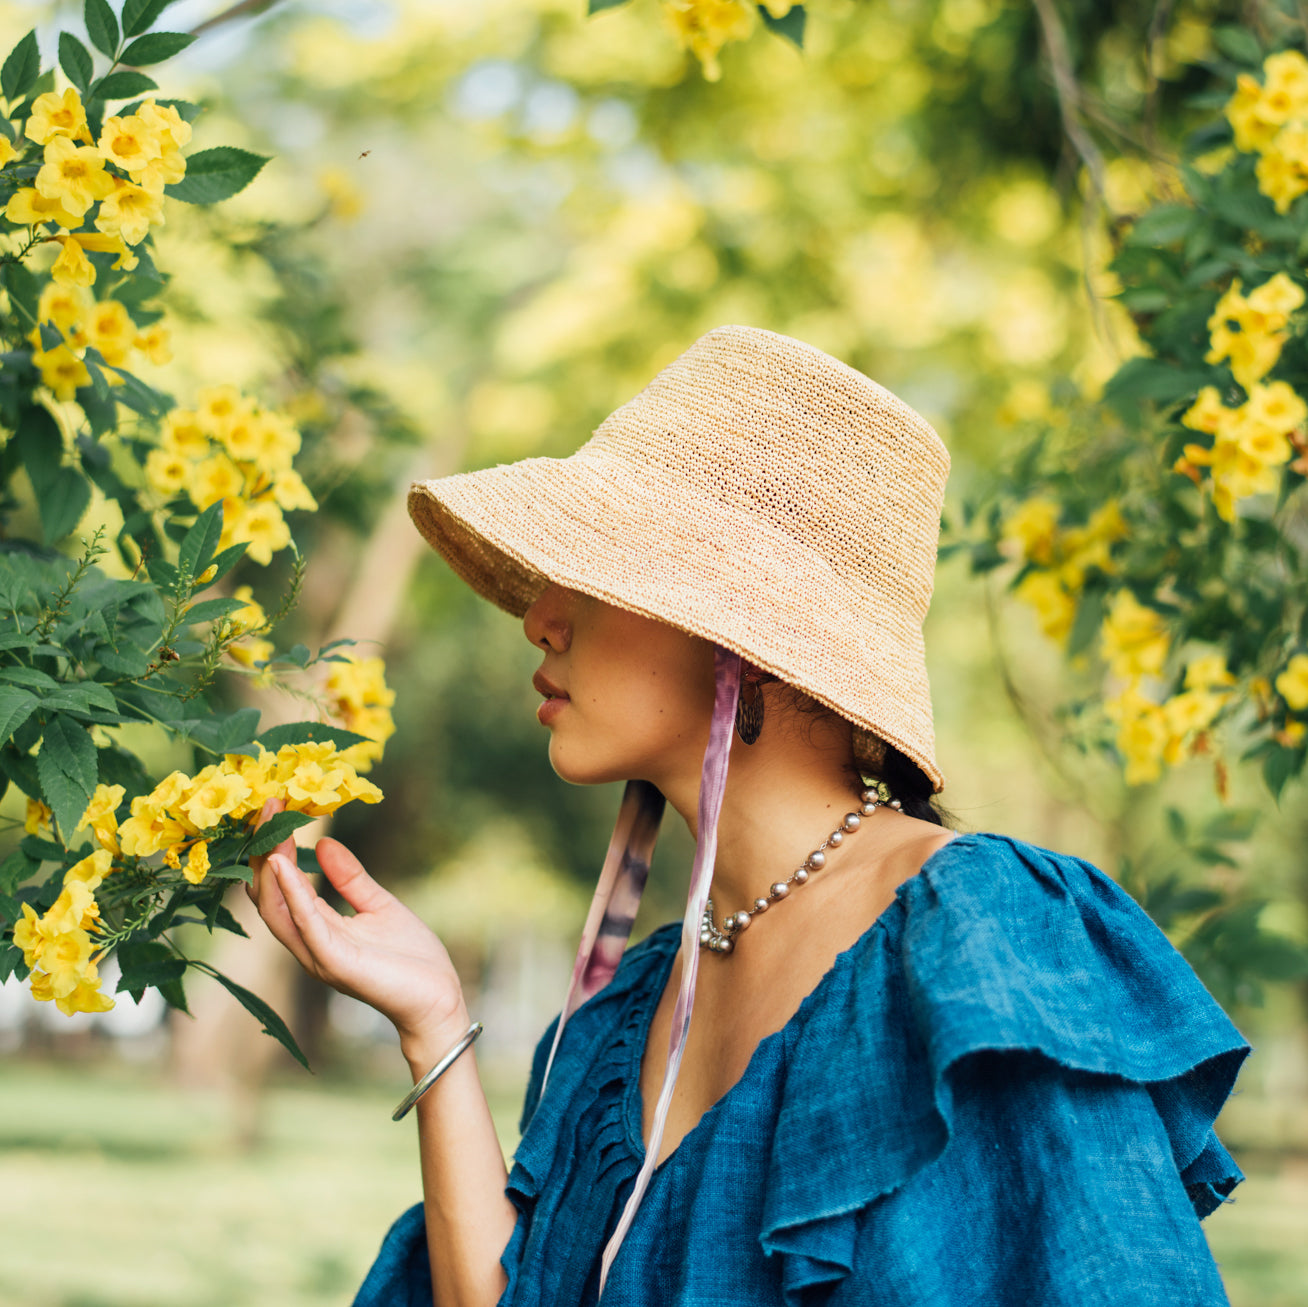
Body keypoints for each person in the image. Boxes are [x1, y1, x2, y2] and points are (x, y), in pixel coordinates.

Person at [247, 325, 1250, 1307]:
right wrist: (433, 1020)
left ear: (740, 633)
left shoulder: (978, 943)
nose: (539, 617)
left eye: (592, 571)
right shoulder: (621, 1018)